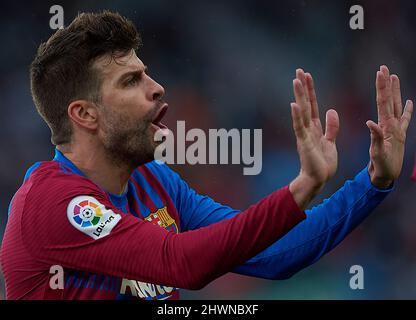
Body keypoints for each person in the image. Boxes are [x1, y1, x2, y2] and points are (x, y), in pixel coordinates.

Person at [0, 11, 413, 300]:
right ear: (85, 114)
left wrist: (372, 183)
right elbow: (182, 264)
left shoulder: (156, 182)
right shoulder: (52, 203)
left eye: (147, 73)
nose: (157, 87)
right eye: (131, 81)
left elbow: (275, 254)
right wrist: (301, 189)